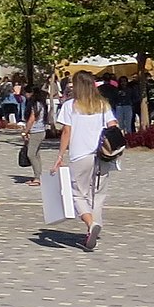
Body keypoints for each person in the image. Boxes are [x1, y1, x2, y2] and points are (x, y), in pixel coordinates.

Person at [53, 70, 117, 251]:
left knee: (77, 193)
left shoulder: (70, 106)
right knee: (98, 194)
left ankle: (90, 224)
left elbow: (66, 131)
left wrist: (60, 156)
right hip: (103, 155)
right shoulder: (102, 104)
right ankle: (95, 223)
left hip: (81, 154)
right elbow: (113, 126)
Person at [19, 83, 51, 186]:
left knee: (31, 154)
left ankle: (38, 178)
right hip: (40, 131)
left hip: (36, 131)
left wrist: (26, 131)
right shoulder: (40, 103)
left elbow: (32, 118)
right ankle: (38, 176)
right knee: (36, 154)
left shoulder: (35, 104)